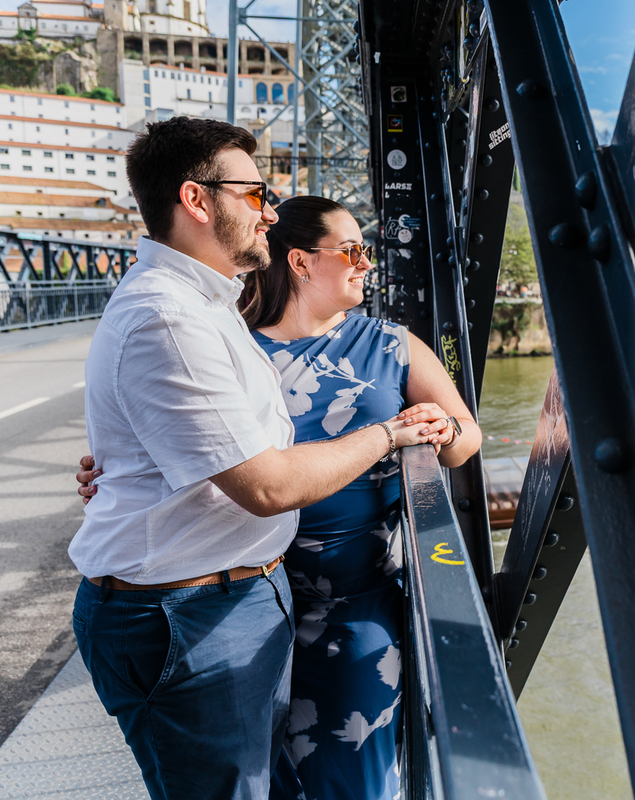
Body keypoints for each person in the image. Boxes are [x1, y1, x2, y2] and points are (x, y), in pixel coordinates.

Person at [69, 117, 432, 800]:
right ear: (197, 200)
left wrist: (122, 465)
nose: (271, 211)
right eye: (256, 193)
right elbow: (265, 486)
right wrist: (389, 436)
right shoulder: (169, 318)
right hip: (188, 614)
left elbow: (204, 436)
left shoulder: (206, 307)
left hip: (223, 601)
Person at [243, 196, 481, 800]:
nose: (367, 264)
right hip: (250, 603)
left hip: (358, 607)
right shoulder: (236, 354)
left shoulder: (392, 345)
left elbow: (465, 439)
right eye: (353, 250)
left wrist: (441, 428)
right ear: (299, 261)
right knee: (265, 776)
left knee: (358, 777)